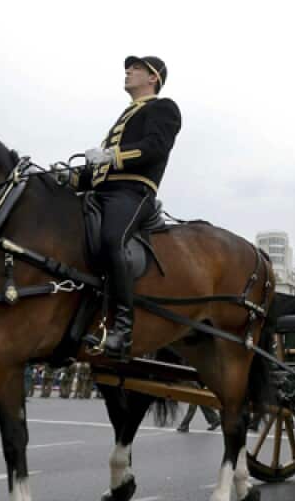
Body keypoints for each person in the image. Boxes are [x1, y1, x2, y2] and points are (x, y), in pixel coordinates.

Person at [76, 55, 181, 361]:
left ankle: (122, 328)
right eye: (129, 67)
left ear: (153, 78)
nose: (128, 71)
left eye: (136, 68)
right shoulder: (126, 114)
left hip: (132, 193)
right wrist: (69, 177)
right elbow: (100, 169)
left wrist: (113, 155)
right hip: (104, 191)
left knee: (112, 239)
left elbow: (155, 147)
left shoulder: (164, 108)